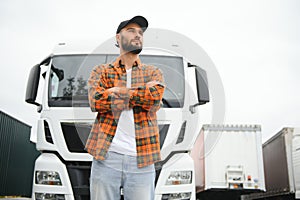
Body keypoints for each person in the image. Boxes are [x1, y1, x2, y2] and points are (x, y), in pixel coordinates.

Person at [85, 15, 165, 200]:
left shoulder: (153, 72)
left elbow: (154, 99)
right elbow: (96, 101)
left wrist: (115, 91)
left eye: (140, 32)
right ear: (118, 37)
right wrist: (140, 94)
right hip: (106, 155)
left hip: (143, 159)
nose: (138, 35)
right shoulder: (101, 71)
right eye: (131, 31)